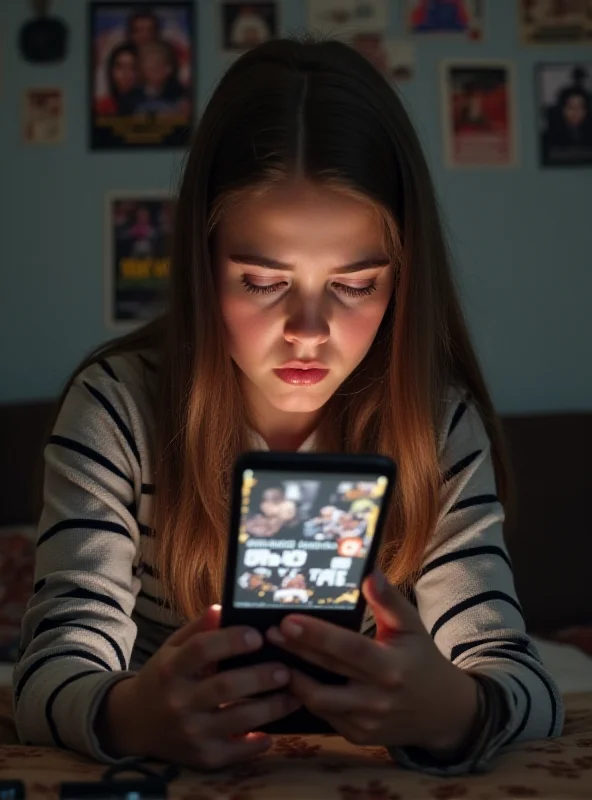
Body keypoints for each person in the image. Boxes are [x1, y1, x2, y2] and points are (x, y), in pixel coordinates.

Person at [14, 37, 562, 774]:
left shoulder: (434, 423)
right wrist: (134, 714)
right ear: (205, 268)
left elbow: (523, 680)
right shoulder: (118, 409)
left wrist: (458, 709)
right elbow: (51, 671)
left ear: (402, 280)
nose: (308, 331)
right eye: (263, 282)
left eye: (355, 284)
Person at [135, 40, 189, 116]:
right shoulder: (132, 97)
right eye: (154, 66)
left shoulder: (179, 95)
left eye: (166, 65)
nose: (167, 70)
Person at [96, 43, 142, 117]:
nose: (125, 73)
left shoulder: (148, 105)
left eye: (132, 67)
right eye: (120, 67)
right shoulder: (102, 107)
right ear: (111, 71)